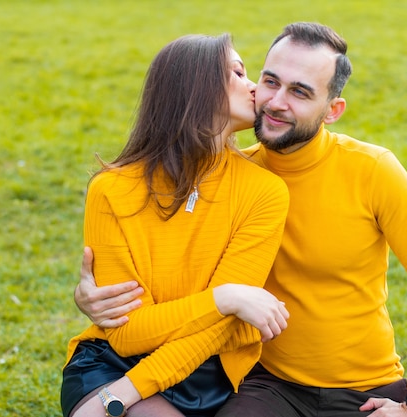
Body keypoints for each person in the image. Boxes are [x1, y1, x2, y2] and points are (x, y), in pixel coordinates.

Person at [75, 22, 407, 417]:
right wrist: (93, 299)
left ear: (332, 110)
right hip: (268, 384)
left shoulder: (372, 170)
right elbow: (177, 272)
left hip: (366, 386)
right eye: (269, 81)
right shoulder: (229, 176)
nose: (275, 101)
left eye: (299, 92)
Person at [61, 33, 291, 417]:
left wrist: (120, 396)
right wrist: (224, 298)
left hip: (209, 367)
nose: (255, 88)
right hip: (112, 362)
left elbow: (221, 328)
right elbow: (129, 333)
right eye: (237, 73)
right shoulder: (111, 190)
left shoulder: (265, 190)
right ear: (196, 87)